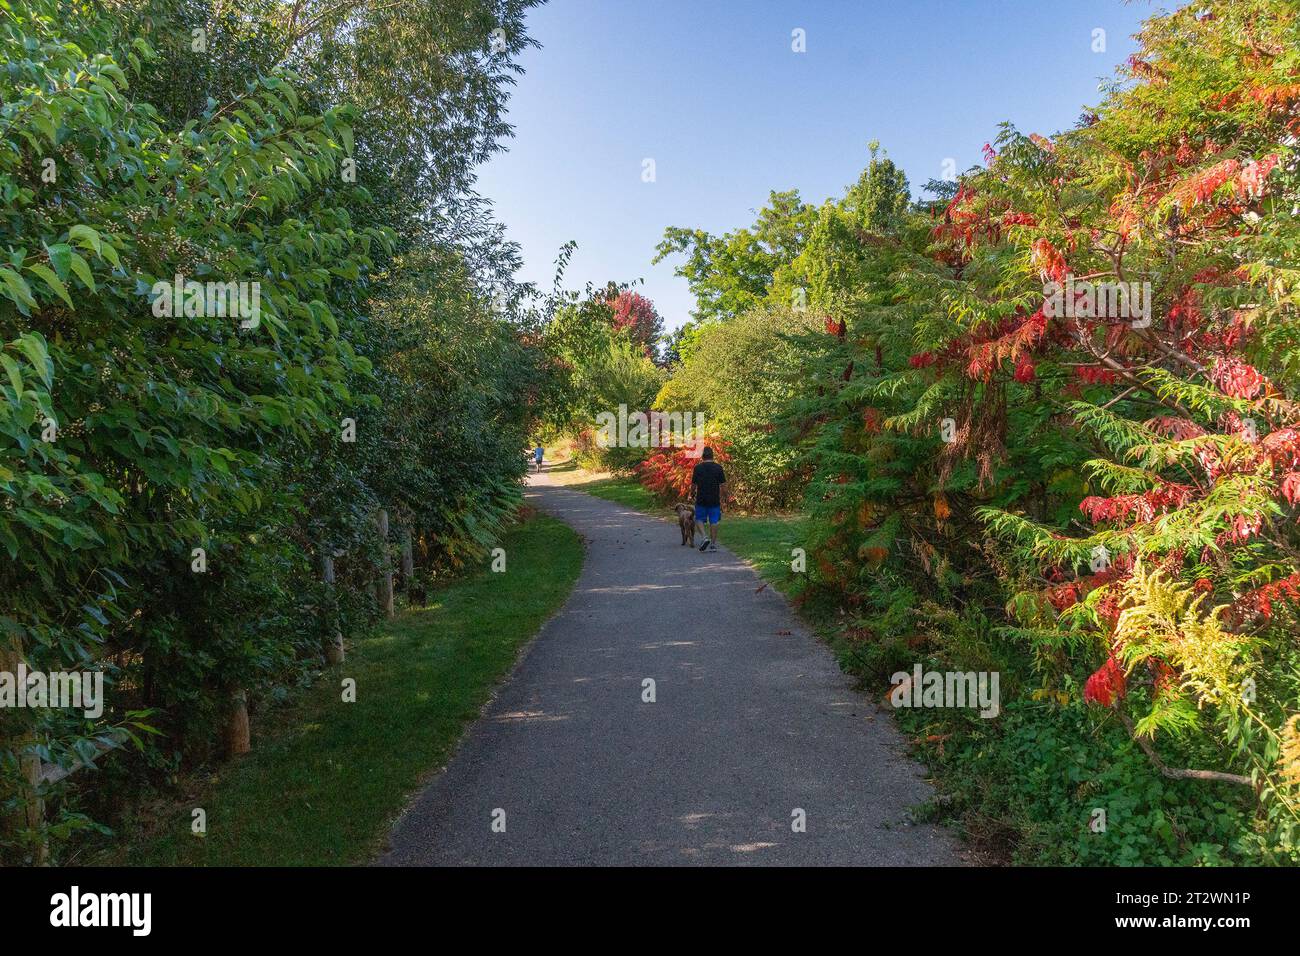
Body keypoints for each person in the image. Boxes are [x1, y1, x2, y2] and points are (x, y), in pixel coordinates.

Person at [690, 446, 726, 552]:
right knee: (714, 521)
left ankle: (704, 537)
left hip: (701, 498)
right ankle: (713, 544)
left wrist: (692, 494)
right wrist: (725, 496)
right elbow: (723, 485)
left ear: (702, 456)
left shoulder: (697, 468)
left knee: (699, 519)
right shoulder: (718, 468)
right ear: (712, 455)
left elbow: (693, 485)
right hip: (714, 499)